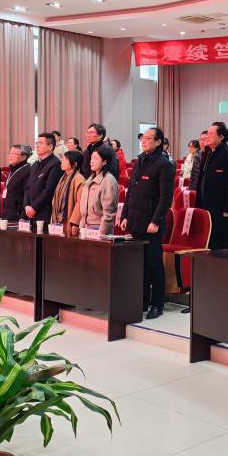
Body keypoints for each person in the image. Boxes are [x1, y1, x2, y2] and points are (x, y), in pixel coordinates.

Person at [121, 127, 174, 319]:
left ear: (158, 142)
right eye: (143, 138)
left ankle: (157, 304)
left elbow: (165, 197)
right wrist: (125, 214)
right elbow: (131, 191)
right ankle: (142, 300)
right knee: (139, 262)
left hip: (152, 223)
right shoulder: (140, 161)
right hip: (136, 220)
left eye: (148, 138)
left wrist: (156, 220)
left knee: (154, 263)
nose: (144, 141)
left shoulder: (164, 164)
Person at [197, 121, 228, 250]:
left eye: (211, 134)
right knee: (211, 246)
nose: (207, 136)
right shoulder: (208, 153)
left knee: (225, 248)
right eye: (207, 133)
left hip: (224, 211)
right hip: (209, 209)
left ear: (221, 137)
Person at [23, 133, 64, 224]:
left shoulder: (56, 164)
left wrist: (34, 207)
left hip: (44, 213)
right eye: (37, 143)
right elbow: (27, 187)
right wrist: (26, 205)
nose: (37, 146)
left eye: (41, 143)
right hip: (29, 212)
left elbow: (49, 191)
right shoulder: (34, 164)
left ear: (50, 147)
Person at [78, 145, 119, 235]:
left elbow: (108, 214)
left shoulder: (108, 180)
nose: (92, 161)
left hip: (99, 228)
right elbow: (83, 211)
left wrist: (101, 233)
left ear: (104, 162)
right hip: (86, 227)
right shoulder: (89, 180)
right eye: (91, 158)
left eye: (95, 158)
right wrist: (81, 228)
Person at [51, 150, 85, 235]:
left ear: (75, 164)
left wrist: (75, 223)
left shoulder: (79, 179)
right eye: (62, 159)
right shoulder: (63, 177)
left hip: (69, 221)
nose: (62, 161)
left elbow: (80, 203)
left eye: (65, 159)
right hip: (58, 220)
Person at [2, 144, 32, 221]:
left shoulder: (28, 171)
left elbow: (27, 195)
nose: (10, 156)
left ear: (24, 156)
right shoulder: (12, 169)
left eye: (15, 154)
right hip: (7, 213)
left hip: (18, 215)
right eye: (10, 153)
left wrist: (23, 217)